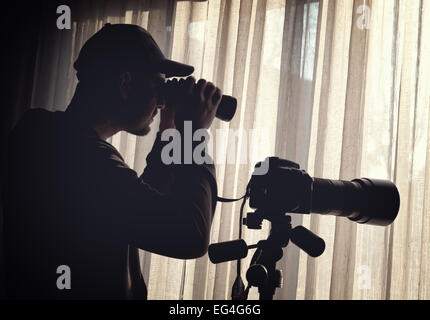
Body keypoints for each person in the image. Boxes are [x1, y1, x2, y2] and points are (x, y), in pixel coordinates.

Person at [3, 23, 221, 299]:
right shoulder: (80, 155)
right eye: (158, 88)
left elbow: (139, 208)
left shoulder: (51, 137)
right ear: (125, 83)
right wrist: (194, 135)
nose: (161, 102)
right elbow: (189, 234)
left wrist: (170, 131)